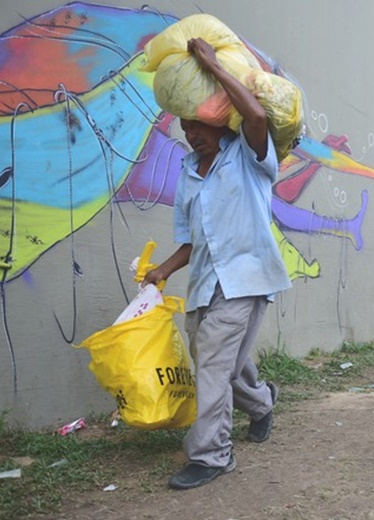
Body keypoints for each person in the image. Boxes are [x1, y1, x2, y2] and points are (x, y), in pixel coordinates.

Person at [143, 38, 292, 490]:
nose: (192, 134)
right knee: (221, 363)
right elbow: (191, 241)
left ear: (219, 120)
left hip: (246, 280)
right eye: (186, 127)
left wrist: (211, 65)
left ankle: (212, 455)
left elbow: (258, 116)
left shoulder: (249, 157)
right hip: (205, 285)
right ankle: (262, 402)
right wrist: (164, 271)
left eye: (199, 125)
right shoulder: (188, 174)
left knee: (211, 365)